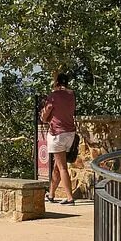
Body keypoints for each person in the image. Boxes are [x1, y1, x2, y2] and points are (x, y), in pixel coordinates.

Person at [41, 71, 79, 203]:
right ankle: (51, 194)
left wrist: (44, 116)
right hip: (70, 133)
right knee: (57, 166)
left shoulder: (53, 96)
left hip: (57, 134)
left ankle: (69, 198)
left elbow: (45, 115)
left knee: (62, 167)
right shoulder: (71, 95)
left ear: (56, 82)